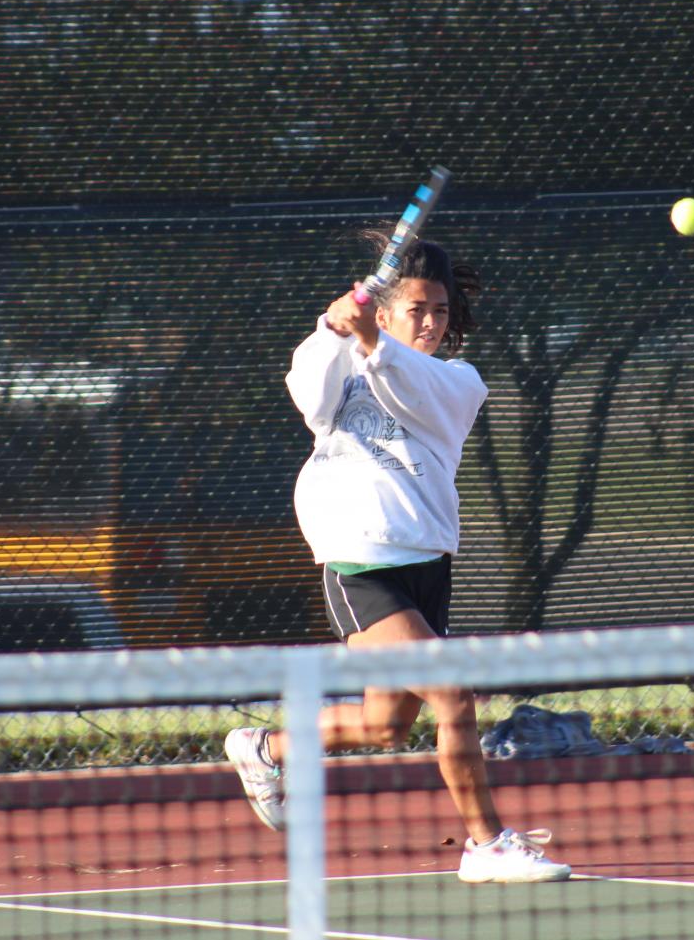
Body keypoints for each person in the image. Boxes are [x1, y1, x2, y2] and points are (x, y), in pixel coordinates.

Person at [225, 231, 570, 885]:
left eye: (440, 309)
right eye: (418, 309)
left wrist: (373, 342)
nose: (433, 322)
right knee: (453, 694)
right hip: (361, 564)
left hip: (426, 565)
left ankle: (265, 746)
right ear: (382, 310)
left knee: (384, 725)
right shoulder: (345, 367)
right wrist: (330, 328)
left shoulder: (455, 382)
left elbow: (410, 388)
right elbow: (306, 391)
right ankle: (486, 842)